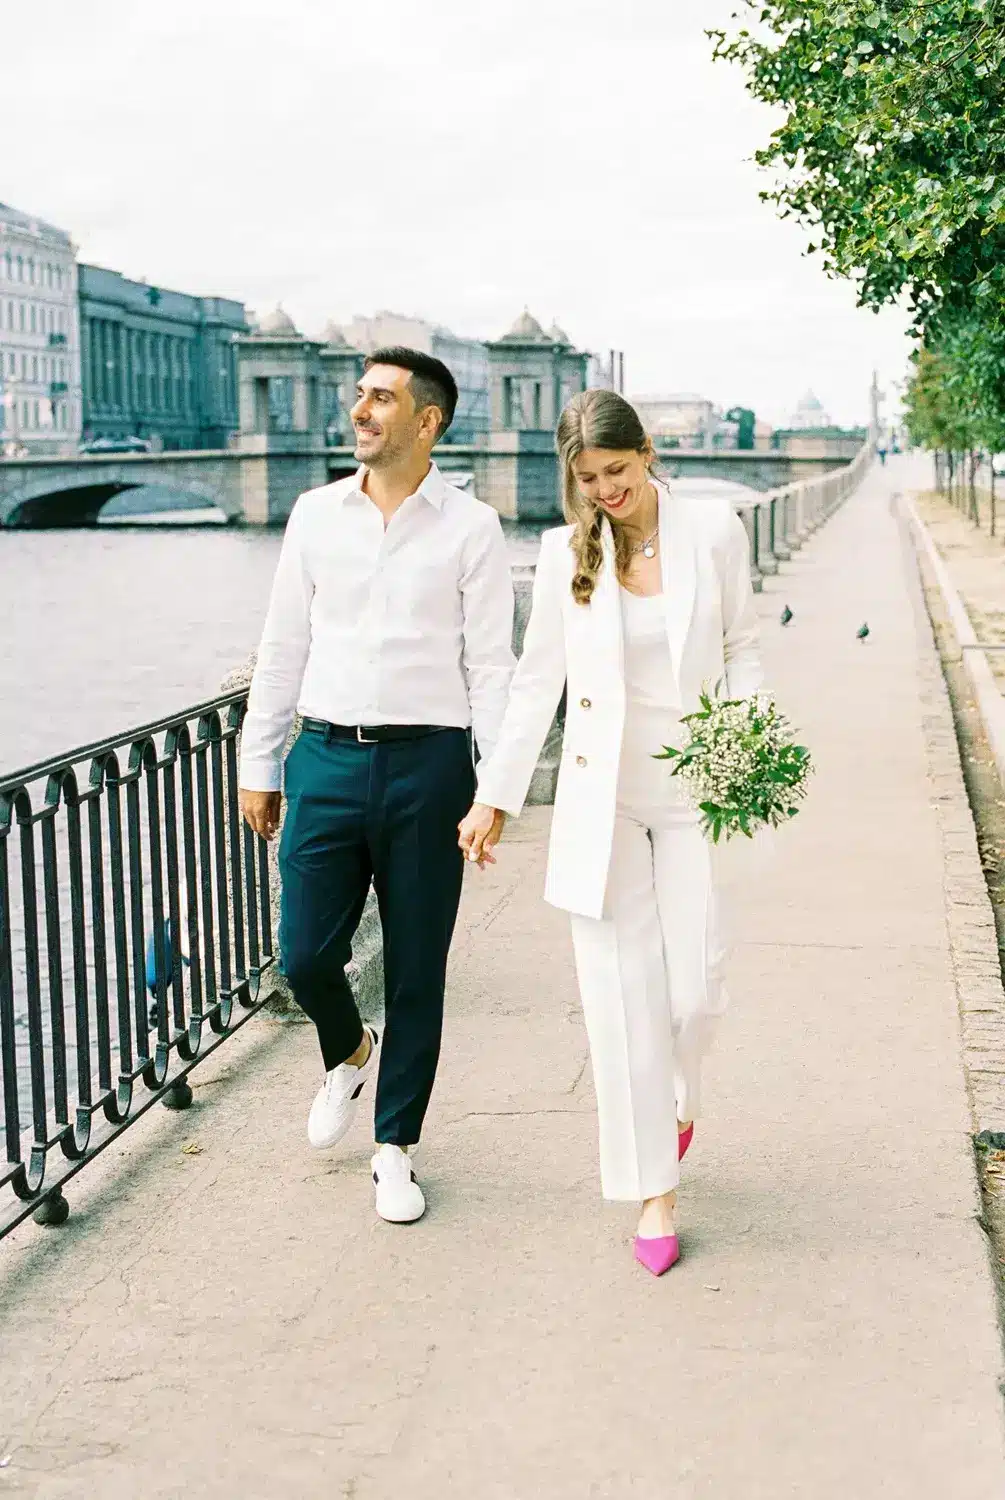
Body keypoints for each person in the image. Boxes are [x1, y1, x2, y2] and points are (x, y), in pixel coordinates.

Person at [458, 389, 762, 1275]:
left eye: (617, 473)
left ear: (648, 453)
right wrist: (494, 796)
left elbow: (742, 647)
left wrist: (744, 733)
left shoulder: (712, 531)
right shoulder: (563, 554)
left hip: (699, 789)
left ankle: (679, 1098)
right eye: (587, 479)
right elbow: (534, 684)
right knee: (619, 1002)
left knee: (694, 990)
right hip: (606, 804)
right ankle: (652, 1194)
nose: (604, 492)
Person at [239, 347, 515, 1225]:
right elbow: (283, 645)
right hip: (322, 760)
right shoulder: (315, 516)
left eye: (381, 398)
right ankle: (348, 1049)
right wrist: (260, 760)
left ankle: (394, 1149)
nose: (360, 410)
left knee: (417, 972)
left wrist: (494, 790)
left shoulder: (471, 528)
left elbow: (492, 669)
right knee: (305, 957)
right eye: (360, 395)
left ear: (426, 420)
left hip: (430, 769)